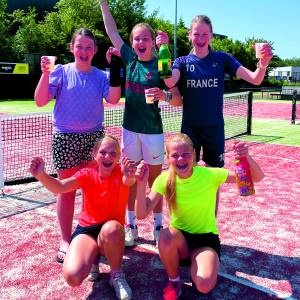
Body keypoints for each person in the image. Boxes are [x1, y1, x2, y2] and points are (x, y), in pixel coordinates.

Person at [162, 15, 272, 213]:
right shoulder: (182, 61)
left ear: (211, 36)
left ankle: (210, 222)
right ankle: (185, 218)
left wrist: (263, 63)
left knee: (214, 177)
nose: (201, 38)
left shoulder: (222, 59)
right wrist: (162, 52)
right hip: (190, 130)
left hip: (214, 129)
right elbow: (169, 81)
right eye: (196, 34)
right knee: (184, 175)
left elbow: (255, 80)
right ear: (189, 36)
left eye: (205, 34)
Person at [134, 133, 264, 299]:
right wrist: (140, 183)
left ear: (194, 154)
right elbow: (141, 213)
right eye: (175, 155)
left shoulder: (209, 174)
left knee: (203, 285)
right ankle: (174, 281)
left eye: (186, 154)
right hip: (179, 242)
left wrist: (246, 157)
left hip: (205, 241)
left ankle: (205, 263)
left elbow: (257, 178)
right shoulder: (164, 179)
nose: (181, 159)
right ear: (167, 157)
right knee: (165, 236)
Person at [34, 28, 121, 263]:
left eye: (88, 48)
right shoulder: (60, 71)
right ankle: (65, 240)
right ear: (72, 48)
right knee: (66, 190)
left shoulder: (101, 76)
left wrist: (115, 67)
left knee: (93, 191)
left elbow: (113, 99)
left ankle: (92, 235)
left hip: (95, 140)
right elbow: (41, 100)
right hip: (65, 138)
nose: (83, 51)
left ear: (95, 51)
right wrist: (45, 73)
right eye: (79, 47)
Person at [99, 0, 181, 246]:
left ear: (151, 42)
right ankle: (131, 226)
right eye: (136, 39)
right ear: (132, 43)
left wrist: (164, 95)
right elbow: (112, 32)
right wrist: (104, 4)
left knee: (155, 180)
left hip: (153, 132)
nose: (140, 43)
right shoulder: (129, 58)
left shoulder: (161, 64)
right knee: (131, 178)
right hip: (130, 130)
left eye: (145, 39)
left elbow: (178, 99)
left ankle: (158, 226)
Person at [29, 135, 140, 300]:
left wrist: (130, 175)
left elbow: (129, 180)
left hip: (111, 231)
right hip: (87, 230)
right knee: (72, 277)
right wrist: (40, 175)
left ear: (119, 156)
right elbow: (60, 187)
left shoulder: (122, 173)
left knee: (112, 229)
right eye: (103, 152)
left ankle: (116, 274)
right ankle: (93, 256)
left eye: (113, 153)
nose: (108, 157)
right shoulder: (86, 174)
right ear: (94, 154)